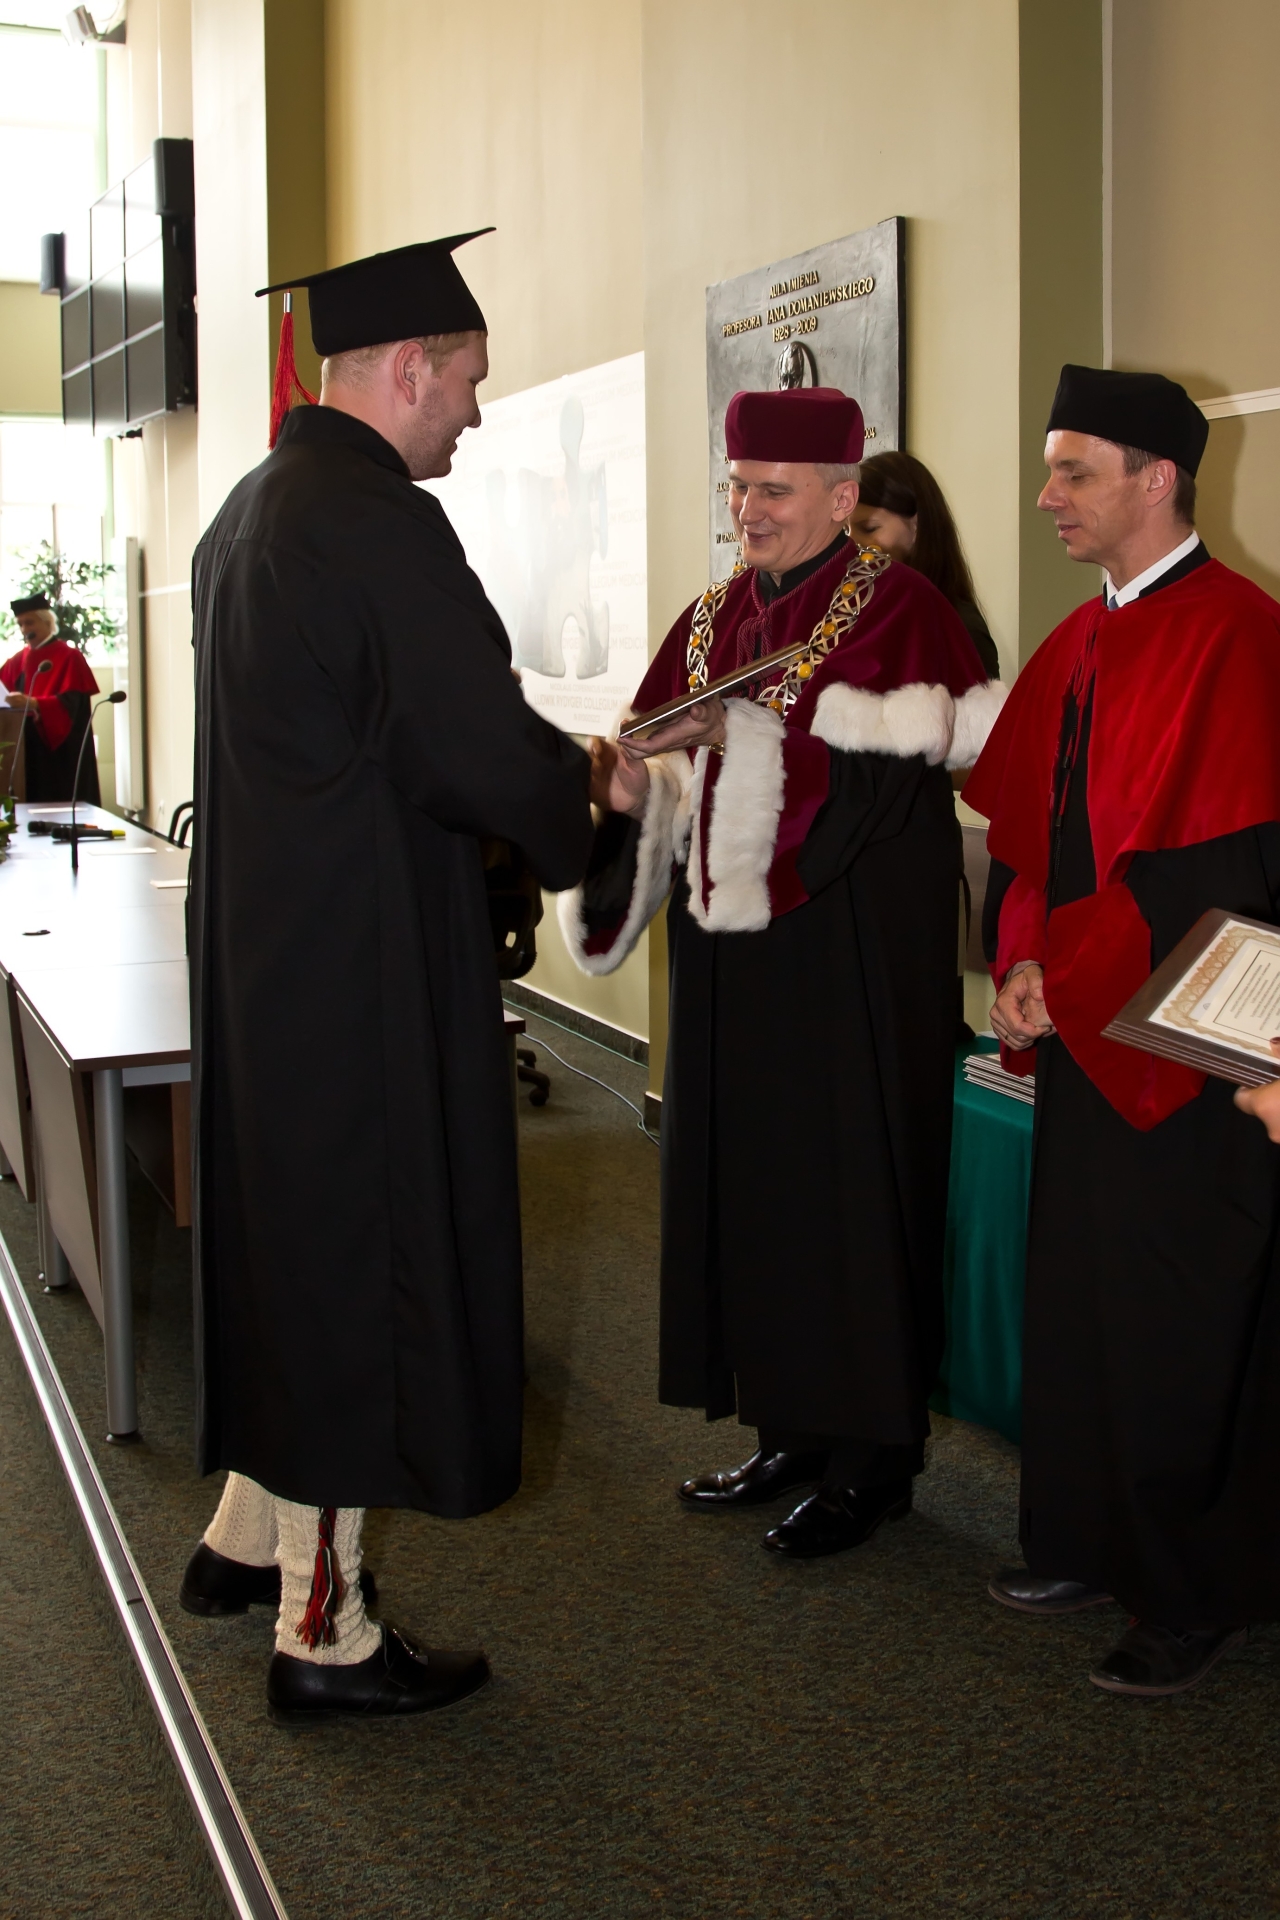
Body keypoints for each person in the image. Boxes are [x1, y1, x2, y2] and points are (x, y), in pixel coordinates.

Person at [180, 232, 596, 1724]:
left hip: (270, 963)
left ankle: (246, 1534)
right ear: (408, 368)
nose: (474, 413)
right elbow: (468, 744)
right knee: (356, 1277)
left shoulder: (250, 512)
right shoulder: (371, 524)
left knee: (291, 1255)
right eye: (468, 381)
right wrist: (583, 791)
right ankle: (327, 1630)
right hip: (356, 977)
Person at [560, 386, 1004, 1560]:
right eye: (737, 489)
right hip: (733, 959)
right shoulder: (710, 615)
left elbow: (880, 782)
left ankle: (873, 1462)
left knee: (850, 1190)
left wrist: (739, 735)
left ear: (841, 496)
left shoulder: (899, 609)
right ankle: (788, 1429)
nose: (746, 511)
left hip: (851, 953)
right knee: (753, 1184)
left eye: (772, 490)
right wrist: (632, 782)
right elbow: (666, 760)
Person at [966, 364, 1280, 1697]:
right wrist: (1022, 957)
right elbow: (1034, 839)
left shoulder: (1241, 635)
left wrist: (1083, 974)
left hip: (1201, 1051)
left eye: (1073, 471)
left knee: (1182, 1314)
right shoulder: (1080, 637)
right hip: (1090, 1030)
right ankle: (1088, 1539)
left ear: (1157, 479)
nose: (1047, 495)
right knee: (1085, 1296)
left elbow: (1232, 880)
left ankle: (1190, 1586)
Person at [850, 450, 1000, 679]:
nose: (852, 545)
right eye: (846, 531)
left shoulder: (961, 628)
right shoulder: (857, 617)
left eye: (869, 528)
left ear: (916, 527)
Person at [1, 594, 100, 802]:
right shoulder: (17, 661)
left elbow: (73, 705)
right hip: (25, 750)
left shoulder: (69, 656)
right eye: (20, 624)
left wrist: (35, 703)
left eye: (29, 622)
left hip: (59, 754)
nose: (24, 629)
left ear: (47, 622)